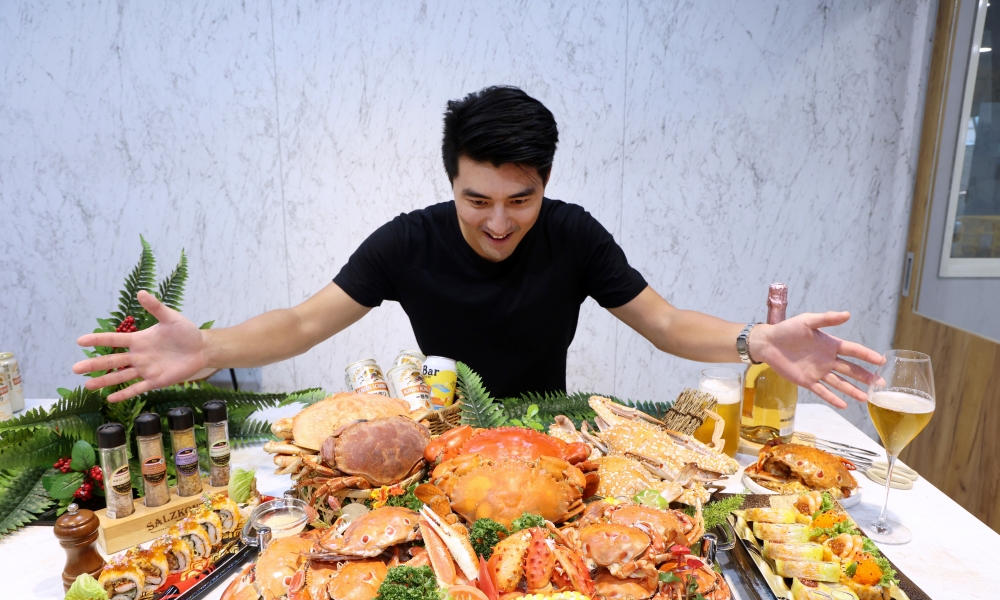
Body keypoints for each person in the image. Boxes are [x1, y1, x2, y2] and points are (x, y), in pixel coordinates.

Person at [73, 86, 880, 405]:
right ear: (450, 180)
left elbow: (665, 325)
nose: (499, 222)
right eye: (477, 200)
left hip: (554, 422)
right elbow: (301, 322)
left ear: (547, 184)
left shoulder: (575, 232)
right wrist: (209, 347)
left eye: (520, 200)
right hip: (445, 428)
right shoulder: (409, 241)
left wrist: (753, 339)